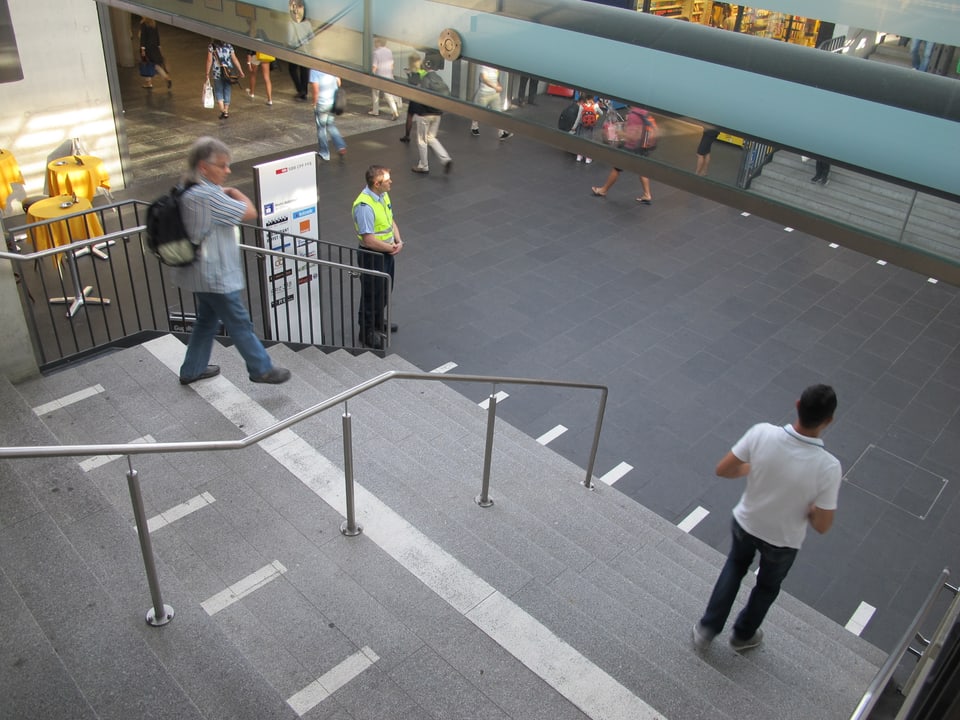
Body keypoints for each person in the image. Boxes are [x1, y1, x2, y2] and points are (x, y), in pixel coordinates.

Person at [692, 384, 840, 653]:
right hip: (784, 540)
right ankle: (743, 635)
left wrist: (755, 468)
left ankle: (707, 628)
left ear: (797, 405)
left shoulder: (762, 433)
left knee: (735, 567)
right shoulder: (829, 467)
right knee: (767, 587)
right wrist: (809, 508)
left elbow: (723, 469)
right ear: (828, 420)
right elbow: (823, 525)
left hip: (747, 523)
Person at [172, 137, 291, 385]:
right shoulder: (207, 195)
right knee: (239, 321)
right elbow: (249, 212)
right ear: (204, 167)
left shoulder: (190, 188)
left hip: (200, 273)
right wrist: (235, 192)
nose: (228, 171)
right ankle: (261, 368)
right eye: (222, 165)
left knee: (206, 321)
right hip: (215, 275)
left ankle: (192, 370)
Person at [352, 165, 403, 350]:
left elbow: (390, 219)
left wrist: (398, 240)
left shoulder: (382, 195)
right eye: (387, 180)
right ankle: (366, 331)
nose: (391, 182)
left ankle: (377, 321)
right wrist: (391, 248)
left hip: (387, 253)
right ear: (376, 183)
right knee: (371, 293)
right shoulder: (364, 206)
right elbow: (369, 240)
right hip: (373, 256)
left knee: (384, 290)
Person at [591, 106, 654, 203]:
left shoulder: (634, 114)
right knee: (642, 170)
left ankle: (603, 190)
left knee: (616, 168)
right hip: (642, 147)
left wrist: (620, 133)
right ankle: (647, 194)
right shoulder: (643, 111)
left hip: (631, 147)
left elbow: (632, 137)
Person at [410, 62, 452, 174]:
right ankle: (445, 159)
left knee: (422, 140)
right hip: (437, 113)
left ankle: (423, 165)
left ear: (427, 66)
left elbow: (421, 96)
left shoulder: (425, 79)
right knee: (431, 138)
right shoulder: (439, 78)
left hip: (425, 114)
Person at [309, 68, 346, 161]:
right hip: (333, 101)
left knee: (321, 128)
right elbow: (339, 82)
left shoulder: (314, 71)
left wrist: (314, 103)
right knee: (330, 124)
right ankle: (340, 146)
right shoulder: (330, 65)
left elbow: (315, 90)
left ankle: (324, 153)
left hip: (322, 103)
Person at [470, 65, 513, 141]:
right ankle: (474, 127)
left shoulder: (496, 67)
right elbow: (484, 78)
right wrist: (495, 87)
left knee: (498, 113)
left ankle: (501, 133)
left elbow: (496, 79)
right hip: (484, 94)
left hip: (494, 94)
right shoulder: (484, 66)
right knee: (479, 113)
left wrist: (498, 85)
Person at [206, 39, 244, 119]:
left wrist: (207, 73)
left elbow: (209, 61)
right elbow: (234, 59)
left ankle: (222, 110)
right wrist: (240, 71)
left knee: (218, 90)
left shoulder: (212, 46)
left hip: (217, 72)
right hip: (228, 72)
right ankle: (226, 110)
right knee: (227, 89)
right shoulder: (229, 46)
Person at [369, 37, 399, 120]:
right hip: (388, 76)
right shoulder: (389, 51)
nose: (374, 43)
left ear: (379, 43)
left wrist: (371, 75)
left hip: (378, 76)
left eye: (375, 42)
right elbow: (392, 65)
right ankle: (394, 111)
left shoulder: (376, 53)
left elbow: (375, 66)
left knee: (375, 93)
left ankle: (375, 111)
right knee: (389, 95)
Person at [287, 0, 311, 100]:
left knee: (292, 69)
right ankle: (304, 92)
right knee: (304, 71)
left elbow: (289, 40)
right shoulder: (307, 23)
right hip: (306, 50)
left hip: (295, 51)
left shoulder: (291, 23)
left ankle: (300, 89)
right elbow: (311, 36)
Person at [139, 17, 171, 89]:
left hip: (147, 48)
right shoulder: (154, 23)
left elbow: (143, 37)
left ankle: (149, 83)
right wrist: (159, 46)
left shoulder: (143, 24)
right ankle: (166, 77)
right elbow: (157, 36)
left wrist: (142, 49)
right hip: (155, 47)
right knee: (156, 65)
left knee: (146, 64)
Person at [399, 52, 423, 143]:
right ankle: (428, 137)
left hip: (414, 98)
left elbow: (410, 83)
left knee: (410, 116)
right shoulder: (422, 72)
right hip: (422, 97)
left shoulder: (410, 72)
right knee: (422, 119)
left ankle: (407, 135)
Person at [573, 93, 602, 163]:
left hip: (583, 125)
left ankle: (579, 157)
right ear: (593, 97)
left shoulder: (582, 106)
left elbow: (578, 117)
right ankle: (588, 159)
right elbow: (601, 113)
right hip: (591, 126)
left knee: (581, 140)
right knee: (589, 140)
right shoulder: (595, 106)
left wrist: (574, 127)